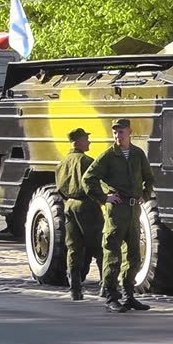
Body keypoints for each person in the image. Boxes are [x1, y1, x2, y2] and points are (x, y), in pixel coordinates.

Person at [83, 118, 155, 313]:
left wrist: (144, 195)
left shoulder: (138, 154)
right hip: (117, 211)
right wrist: (104, 198)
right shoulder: (108, 155)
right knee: (112, 254)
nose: (118, 135)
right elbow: (88, 178)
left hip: (133, 211)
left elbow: (149, 178)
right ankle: (110, 296)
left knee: (133, 256)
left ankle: (129, 295)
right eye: (115, 132)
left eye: (121, 132)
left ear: (129, 132)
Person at [55, 127, 104, 301]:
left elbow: (59, 188)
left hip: (69, 206)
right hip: (87, 206)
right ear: (78, 141)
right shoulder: (87, 161)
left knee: (74, 248)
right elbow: (94, 185)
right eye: (86, 139)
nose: (89, 142)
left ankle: (75, 289)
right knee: (99, 247)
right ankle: (105, 287)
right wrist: (104, 199)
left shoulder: (62, 163)